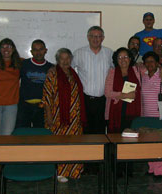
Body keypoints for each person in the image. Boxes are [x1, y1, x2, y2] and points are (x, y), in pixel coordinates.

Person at [43, 48, 87, 183]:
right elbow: (46, 97)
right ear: (57, 60)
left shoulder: (73, 73)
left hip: (75, 118)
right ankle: (61, 172)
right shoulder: (52, 74)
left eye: (67, 58)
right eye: (62, 58)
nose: (65, 61)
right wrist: (49, 116)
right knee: (61, 144)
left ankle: (74, 171)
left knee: (75, 144)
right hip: (58, 117)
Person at [72, 26, 113, 135]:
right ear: (88, 37)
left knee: (100, 131)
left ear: (103, 38)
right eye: (93, 36)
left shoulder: (109, 53)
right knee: (85, 130)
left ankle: (99, 151)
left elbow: (116, 72)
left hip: (103, 100)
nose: (96, 39)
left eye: (99, 36)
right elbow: (68, 70)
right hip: (85, 100)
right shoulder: (78, 53)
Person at [0, 38, 22, 176]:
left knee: (7, 137)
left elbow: (37, 64)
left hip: (11, 105)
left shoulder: (20, 63)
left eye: (9, 46)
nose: (6, 49)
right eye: (3, 47)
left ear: (13, 49)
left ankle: (4, 164)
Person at [141, 51, 162, 177]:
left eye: (152, 61)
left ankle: (159, 170)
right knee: (148, 142)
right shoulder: (143, 76)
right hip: (146, 115)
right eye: (147, 61)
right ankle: (151, 168)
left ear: (157, 63)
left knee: (159, 142)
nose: (150, 64)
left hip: (160, 114)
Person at [16, 39, 53, 128]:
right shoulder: (23, 64)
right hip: (24, 106)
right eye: (35, 50)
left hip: (42, 108)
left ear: (46, 50)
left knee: (40, 136)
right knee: (22, 134)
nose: (38, 52)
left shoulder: (51, 68)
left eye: (41, 49)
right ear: (31, 52)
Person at [104, 47, 141, 133]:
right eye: (119, 57)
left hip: (133, 111)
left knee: (131, 139)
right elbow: (107, 93)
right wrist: (125, 95)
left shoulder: (137, 70)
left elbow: (152, 68)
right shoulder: (112, 72)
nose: (123, 59)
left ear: (130, 59)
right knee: (115, 139)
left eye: (125, 57)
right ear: (116, 60)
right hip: (115, 112)